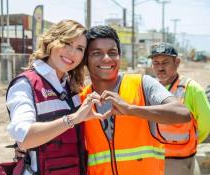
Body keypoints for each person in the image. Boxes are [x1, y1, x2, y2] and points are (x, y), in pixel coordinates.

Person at [79, 25, 191, 175]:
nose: (106, 58)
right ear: (86, 59)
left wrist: (131, 109)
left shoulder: (142, 84)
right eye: (97, 53)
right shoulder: (81, 99)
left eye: (112, 52)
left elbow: (182, 113)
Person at [6, 20, 105, 175]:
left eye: (79, 48)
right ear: (52, 41)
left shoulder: (73, 88)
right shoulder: (25, 84)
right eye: (67, 43)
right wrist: (73, 119)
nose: (72, 52)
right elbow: (25, 138)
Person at [149, 42, 210, 175]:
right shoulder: (148, 87)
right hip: (153, 160)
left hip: (181, 161)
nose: (160, 68)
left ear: (177, 62)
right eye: (156, 63)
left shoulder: (192, 89)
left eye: (165, 62)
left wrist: (192, 142)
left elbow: (206, 123)